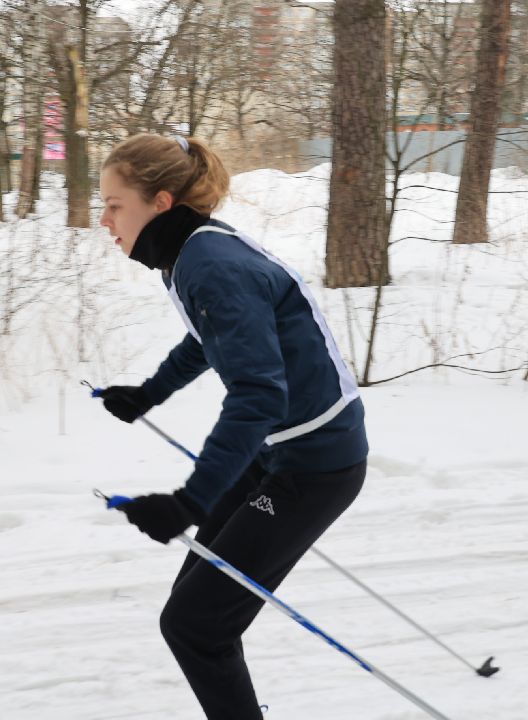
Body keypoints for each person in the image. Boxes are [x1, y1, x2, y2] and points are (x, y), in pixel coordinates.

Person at [98, 133, 368, 720]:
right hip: (280, 451)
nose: (104, 220)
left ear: (160, 203)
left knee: (195, 626)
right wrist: (149, 393)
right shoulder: (190, 252)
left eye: (115, 205)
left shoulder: (210, 264)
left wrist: (189, 502)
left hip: (315, 465)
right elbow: (210, 338)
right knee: (193, 608)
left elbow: (259, 395)